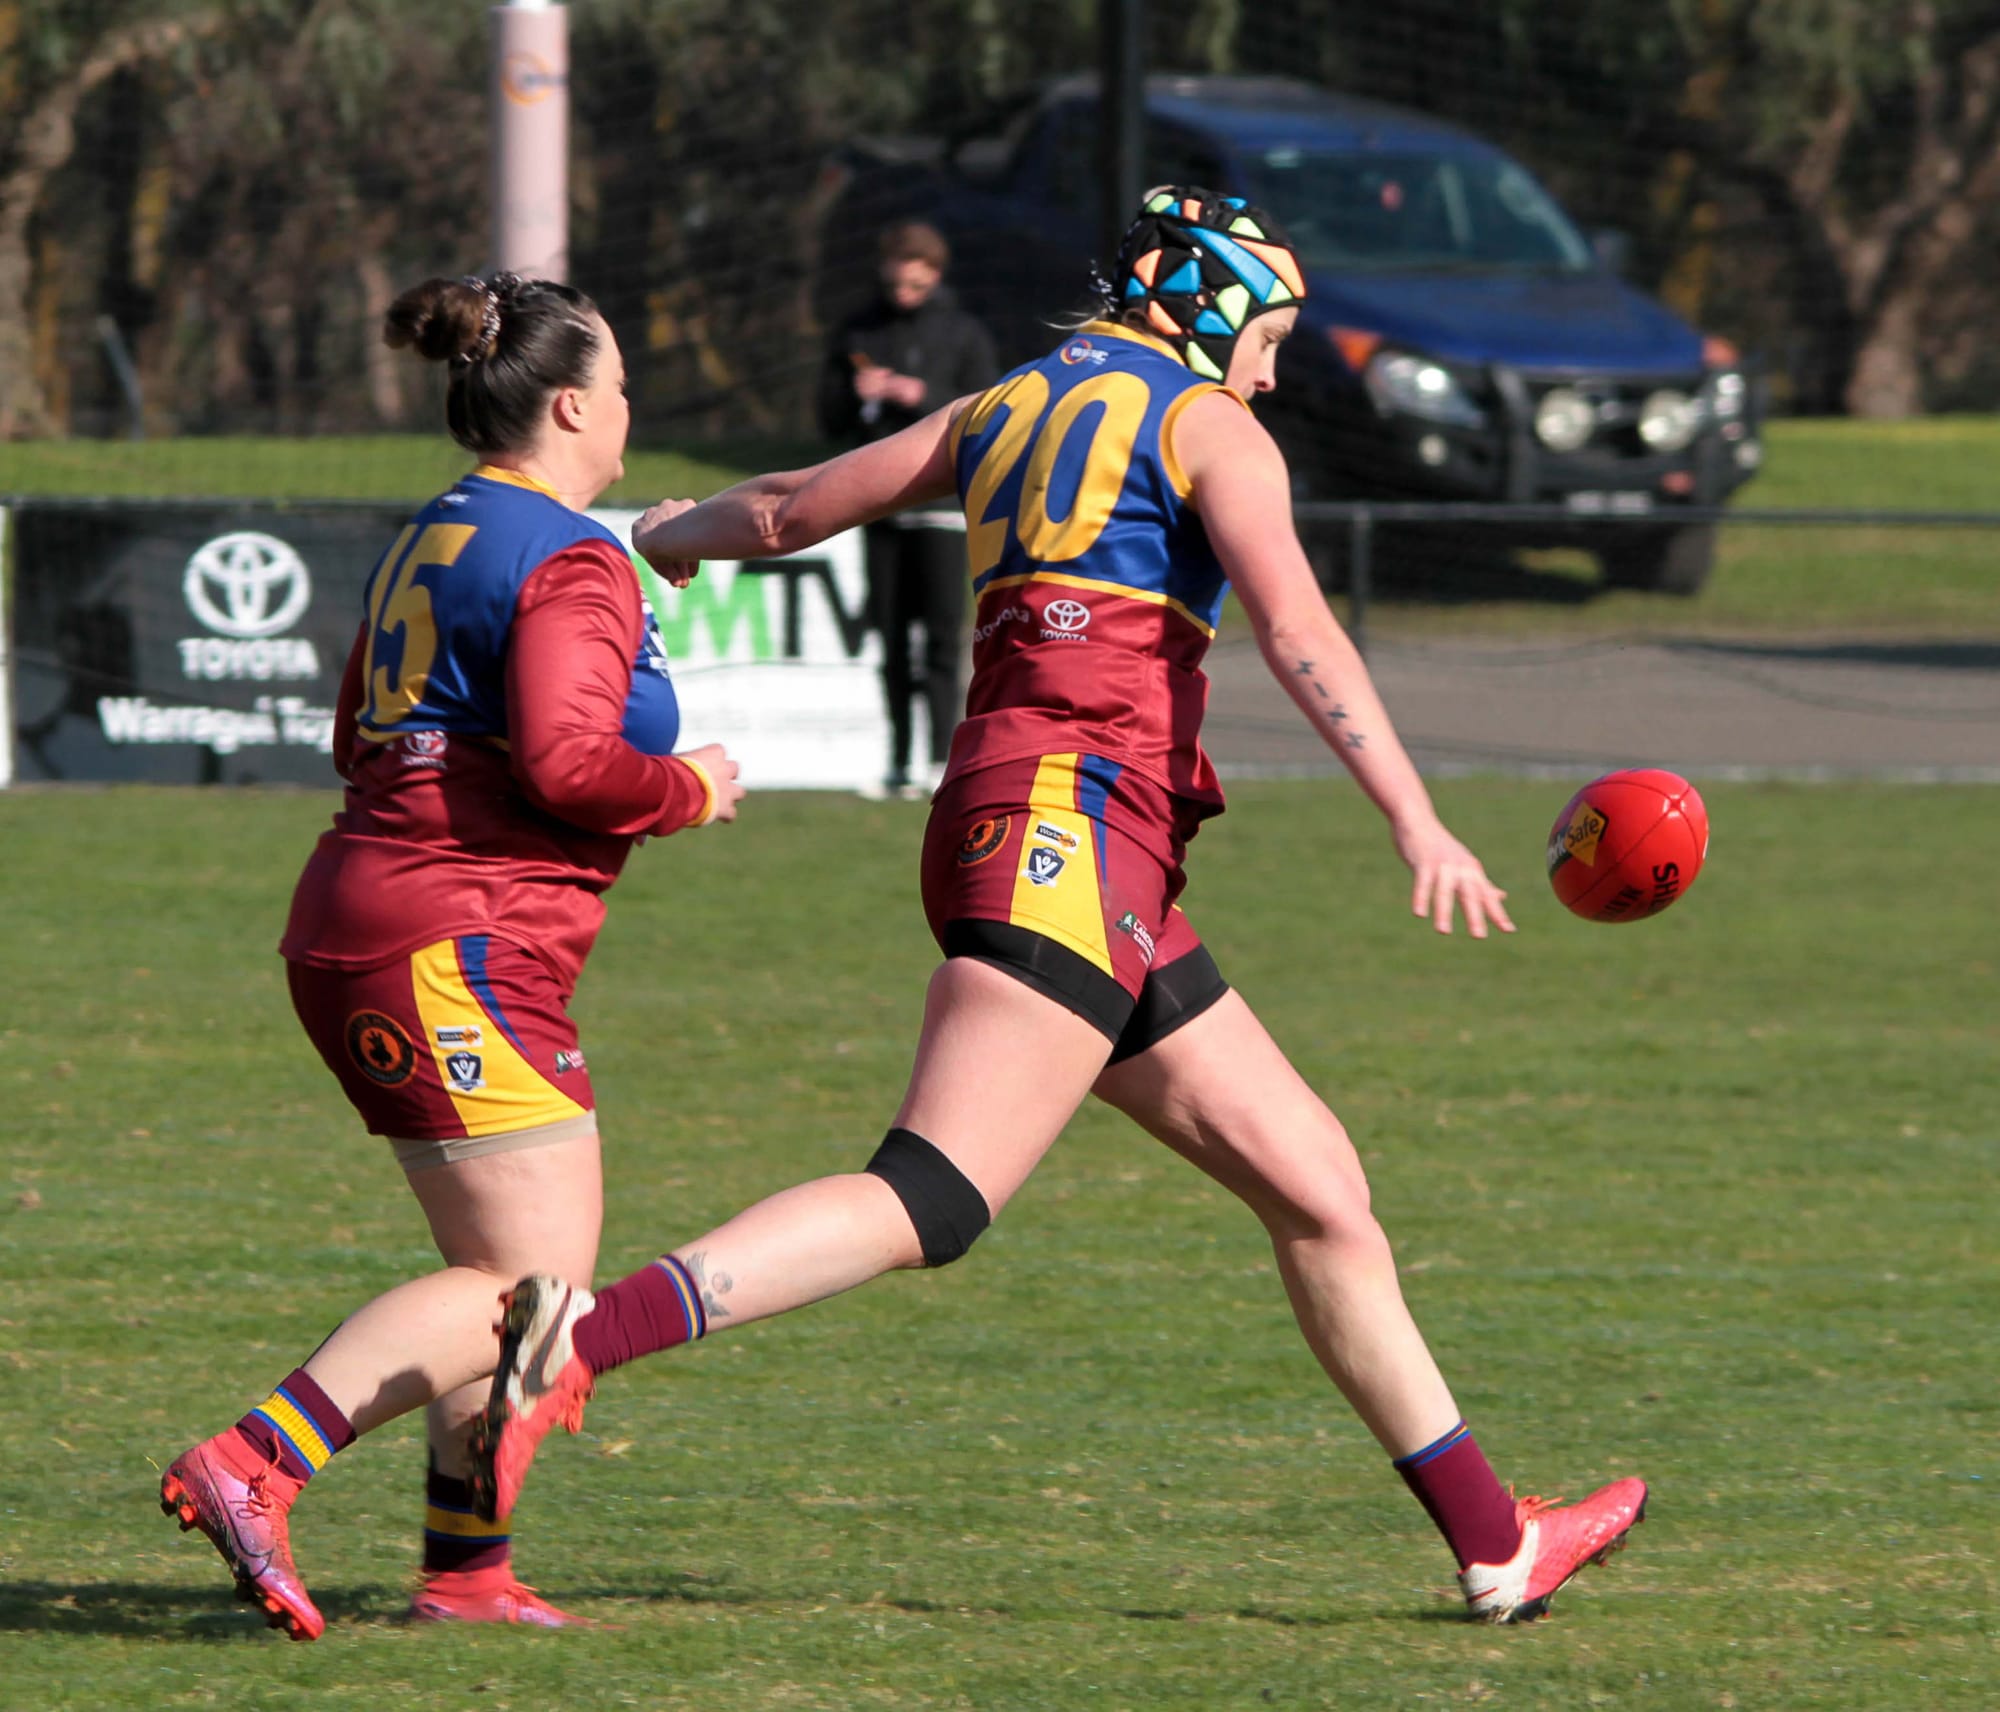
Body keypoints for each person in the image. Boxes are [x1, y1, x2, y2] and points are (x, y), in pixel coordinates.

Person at [474, 189, 1646, 1626]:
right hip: (1068, 834)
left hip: (1053, 837)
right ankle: (574, 1342)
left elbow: (782, 511)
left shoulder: (1003, 403)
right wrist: (1416, 817)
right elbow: (1297, 626)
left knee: (1323, 1192)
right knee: (933, 1194)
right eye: (1266, 335)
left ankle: (1495, 1543)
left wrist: (659, 530)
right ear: (1205, 307)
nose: (1270, 372)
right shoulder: (1209, 427)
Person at [156, 271, 745, 1638]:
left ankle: (468, 1578)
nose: (632, 407)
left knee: (511, 1289)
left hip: (374, 923)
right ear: (572, 404)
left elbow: (355, 728)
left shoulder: (439, 528)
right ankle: (252, 1462)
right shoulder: (569, 553)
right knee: (535, 1296)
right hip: (453, 946)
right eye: (620, 381)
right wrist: (689, 788)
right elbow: (568, 762)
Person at [818, 219, 997, 796]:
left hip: (943, 512)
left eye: (916, 287)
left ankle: (944, 759)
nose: (904, 297)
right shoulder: (858, 329)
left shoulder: (964, 333)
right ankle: (899, 762)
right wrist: (856, 394)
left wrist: (925, 398)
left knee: (944, 639)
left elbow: (993, 414)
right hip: (880, 510)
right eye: (896, 285)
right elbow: (827, 415)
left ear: (935, 278)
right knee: (892, 640)